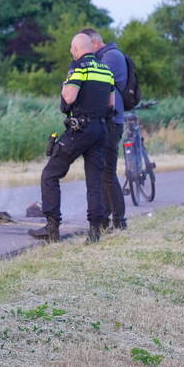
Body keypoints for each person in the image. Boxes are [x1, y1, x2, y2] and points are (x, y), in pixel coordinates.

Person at [29, 33, 115, 243]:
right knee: (94, 181)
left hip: (80, 130)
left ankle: (52, 227)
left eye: (71, 48)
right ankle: (95, 230)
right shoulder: (106, 71)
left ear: (77, 48)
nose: (70, 52)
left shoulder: (79, 67)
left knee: (50, 174)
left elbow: (69, 97)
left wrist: (65, 86)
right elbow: (111, 104)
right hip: (101, 130)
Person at [83, 28, 127, 231]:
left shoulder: (111, 56)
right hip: (108, 120)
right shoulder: (107, 56)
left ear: (94, 43)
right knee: (102, 173)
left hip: (111, 121)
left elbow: (97, 83)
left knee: (108, 173)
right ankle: (106, 218)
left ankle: (119, 220)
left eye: (85, 46)